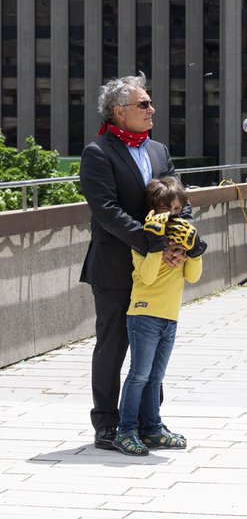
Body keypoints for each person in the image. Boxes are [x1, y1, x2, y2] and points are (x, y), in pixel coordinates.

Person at [79, 73, 188, 451]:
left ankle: (147, 422)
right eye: (143, 104)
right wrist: (150, 242)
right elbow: (106, 210)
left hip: (157, 273)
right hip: (115, 266)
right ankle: (108, 424)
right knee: (113, 345)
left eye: (150, 102)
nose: (151, 109)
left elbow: (178, 200)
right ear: (118, 112)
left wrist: (181, 240)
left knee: (153, 349)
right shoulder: (98, 152)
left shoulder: (158, 151)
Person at [113, 177, 205, 456]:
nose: (175, 216)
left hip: (169, 316)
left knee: (156, 377)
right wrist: (154, 246)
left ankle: (153, 429)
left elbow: (193, 276)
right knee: (139, 375)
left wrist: (194, 252)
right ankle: (125, 431)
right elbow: (147, 277)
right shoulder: (142, 238)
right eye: (169, 209)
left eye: (179, 209)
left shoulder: (180, 240)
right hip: (144, 314)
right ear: (154, 209)